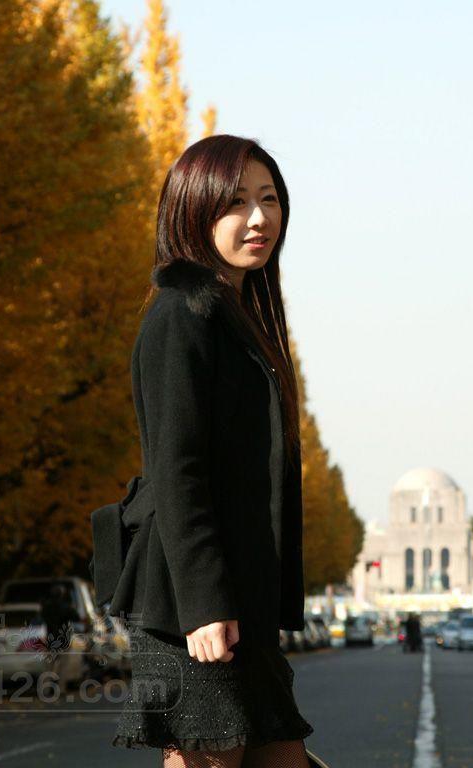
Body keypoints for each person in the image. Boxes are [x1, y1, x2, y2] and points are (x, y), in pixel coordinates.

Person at [110, 135, 314, 768]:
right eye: (235, 203)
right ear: (193, 212)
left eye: (269, 199)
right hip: (193, 607)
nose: (258, 219)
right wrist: (205, 605)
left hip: (240, 598)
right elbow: (177, 473)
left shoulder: (237, 314)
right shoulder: (181, 315)